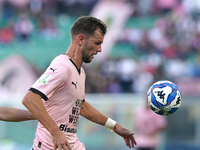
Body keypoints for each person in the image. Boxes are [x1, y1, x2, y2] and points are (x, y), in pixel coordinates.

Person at [0, 16, 137, 150]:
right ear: (81, 40)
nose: (100, 49)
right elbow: (30, 98)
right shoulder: (62, 67)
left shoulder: (80, 72)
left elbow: (81, 106)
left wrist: (115, 126)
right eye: (97, 43)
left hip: (71, 144)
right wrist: (55, 132)